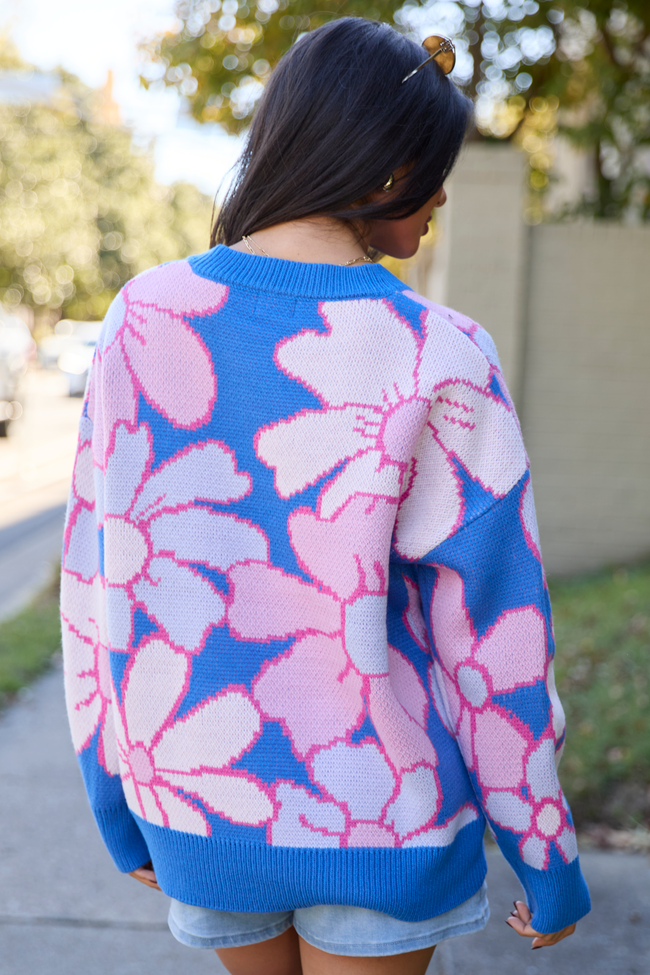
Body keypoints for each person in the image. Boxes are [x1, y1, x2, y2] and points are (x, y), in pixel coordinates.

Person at [60, 17, 590, 975]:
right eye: (435, 172)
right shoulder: (440, 351)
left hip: (199, 798)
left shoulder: (141, 316)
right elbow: (497, 627)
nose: (438, 201)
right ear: (386, 174)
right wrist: (542, 847)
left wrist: (117, 797)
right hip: (382, 810)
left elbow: (100, 581)